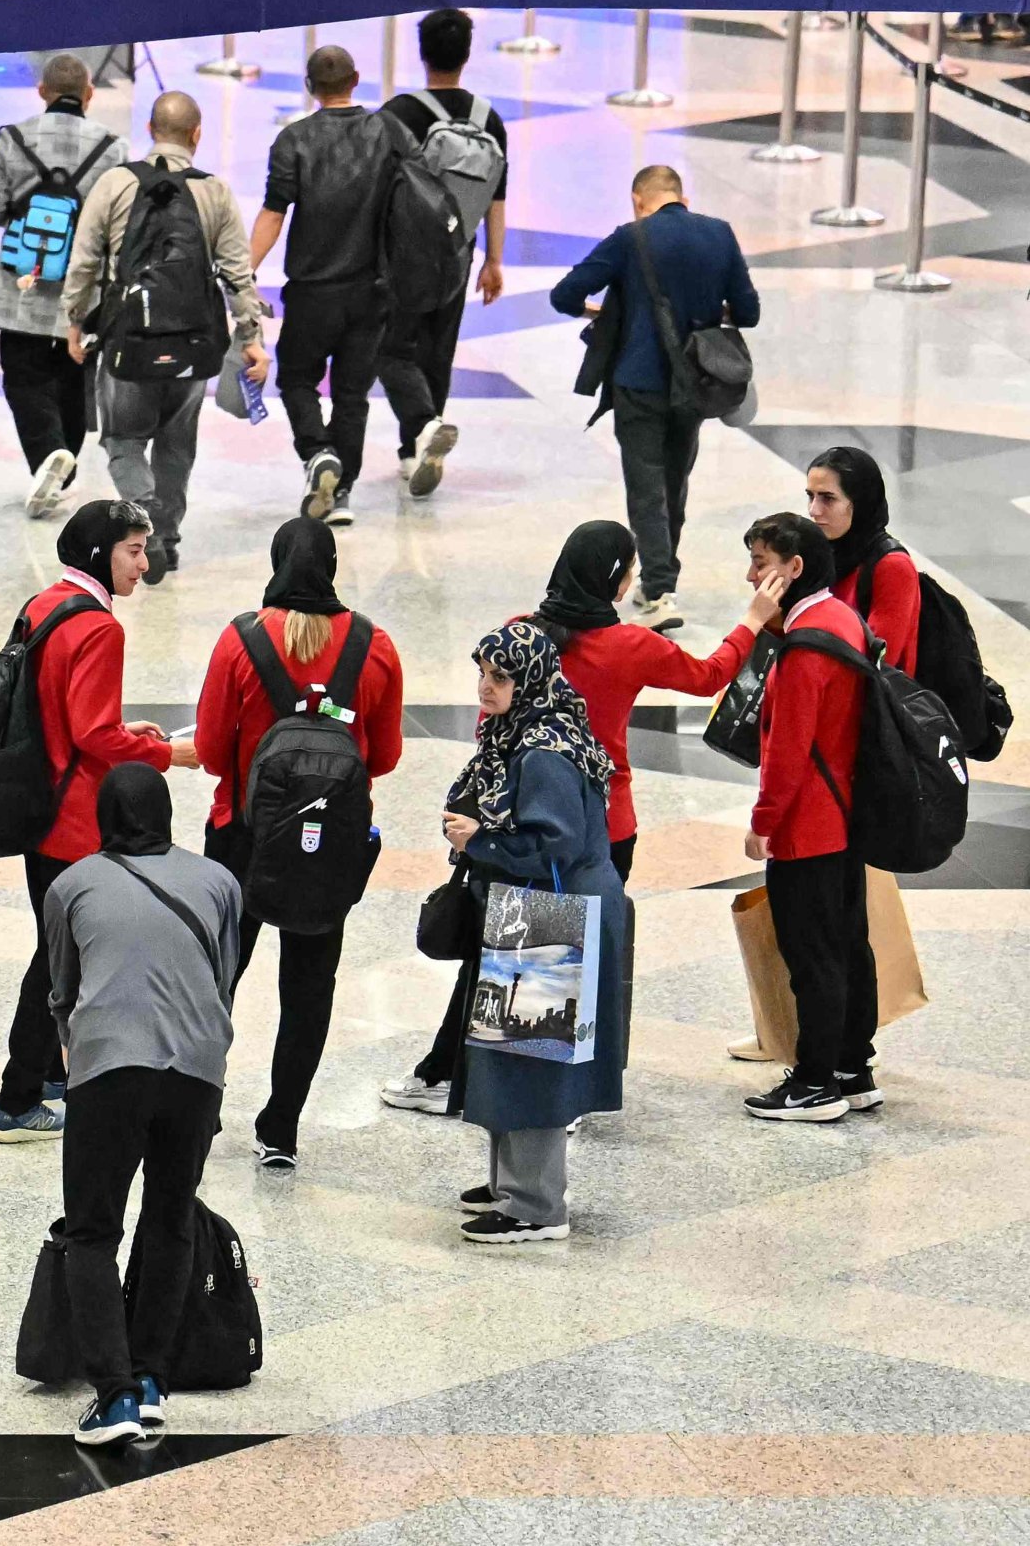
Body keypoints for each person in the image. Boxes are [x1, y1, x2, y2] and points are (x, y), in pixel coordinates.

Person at [386, 524, 763, 1113]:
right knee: (565, 976)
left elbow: (490, 728)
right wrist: (755, 617)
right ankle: (549, 1101)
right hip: (601, 831)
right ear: (615, 579)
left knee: (507, 963)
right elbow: (710, 675)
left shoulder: (522, 636)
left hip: (509, 825)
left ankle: (456, 1079)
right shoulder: (634, 646)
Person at [188, 519, 404, 1170]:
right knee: (309, 987)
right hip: (326, 843)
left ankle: (198, 1109)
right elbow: (386, 757)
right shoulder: (374, 645)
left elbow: (206, 751)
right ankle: (280, 1128)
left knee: (215, 978)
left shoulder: (239, 640)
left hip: (240, 835)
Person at [38, 763, 244, 1445]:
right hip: (195, 1068)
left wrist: (75, 1045)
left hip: (108, 1066)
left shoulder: (71, 885)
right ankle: (152, 1377)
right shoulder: (218, 883)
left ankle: (114, 1396)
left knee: (93, 1231)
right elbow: (222, 979)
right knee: (170, 1219)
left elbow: (61, 986)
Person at [0, 501, 193, 1142]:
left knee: (55, 948)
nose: (144, 562)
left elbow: (63, 712)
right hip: (74, 818)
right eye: (133, 549)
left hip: (33, 803)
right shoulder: (102, 628)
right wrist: (167, 754)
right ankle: (17, 1100)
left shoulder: (46, 603)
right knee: (58, 961)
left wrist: (117, 726)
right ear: (99, 552)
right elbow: (92, 732)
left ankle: (50, 1074)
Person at [442, 623, 636, 1239]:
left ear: (527, 679)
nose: (485, 687)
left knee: (532, 1056)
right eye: (483, 673)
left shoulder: (544, 750)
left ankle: (536, 1206)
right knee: (511, 1049)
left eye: (499, 676)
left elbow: (555, 846)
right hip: (540, 907)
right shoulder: (524, 731)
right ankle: (511, 1184)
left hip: (552, 910)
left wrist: (482, 839)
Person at [56, 88, 268, 581]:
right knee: (177, 443)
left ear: (150, 131)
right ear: (197, 135)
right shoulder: (214, 191)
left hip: (128, 341)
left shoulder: (115, 184)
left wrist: (74, 321)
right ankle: (165, 542)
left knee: (123, 439)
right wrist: (250, 335)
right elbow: (238, 271)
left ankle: (141, 507)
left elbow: (84, 261)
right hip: (194, 344)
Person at [549, 165, 760, 626]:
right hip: (696, 381)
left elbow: (564, 294)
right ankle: (658, 580)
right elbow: (748, 311)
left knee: (646, 487)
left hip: (637, 379)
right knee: (674, 483)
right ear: (683, 197)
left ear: (637, 199)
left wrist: (601, 309)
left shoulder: (630, 238)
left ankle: (661, 590)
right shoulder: (719, 234)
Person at [246, 42, 435, 523]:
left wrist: (243, 269)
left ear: (310, 87)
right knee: (352, 394)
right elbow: (422, 192)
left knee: (296, 378)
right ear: (356, 81)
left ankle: (316, 454)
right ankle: (341, 492)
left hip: (312, 291)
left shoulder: (293, 140)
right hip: (373, 288)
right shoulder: (389, 130)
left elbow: (273, 213)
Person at [742, 512, 883, 1123]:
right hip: (848, 814)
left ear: (794, 568)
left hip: (809, 826)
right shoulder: (842, 618)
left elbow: (788, 749)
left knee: (812, 955)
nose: (751, 576)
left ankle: (815, 1081)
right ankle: (853, 1067)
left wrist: (764, 821)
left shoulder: (803, 647)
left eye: (762, 563)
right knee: (849, 943)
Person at [0, 52, 128, 517]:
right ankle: (66, 464)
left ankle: (49, 459)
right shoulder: (113, 148)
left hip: (21, 288)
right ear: (90, 94)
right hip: (83, 293)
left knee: (24, 380)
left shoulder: (14, 139)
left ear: (42, 92)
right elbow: (119, 222)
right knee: (73, 382)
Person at [377, 5, 511, 494]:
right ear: (467, 54)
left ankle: (418, 432)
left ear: (422, 52)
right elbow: (497, 195)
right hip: (460, 251)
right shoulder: (488, 119)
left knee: (391, 348)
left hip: (405, 256)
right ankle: (418, 445)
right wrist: (494, 261)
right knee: (438, 351)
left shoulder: (399, 114)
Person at [804, 445, 923, 666]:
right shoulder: (820, 553)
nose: (813, 510)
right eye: (810, 496)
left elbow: (877, 663)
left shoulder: (892, 566)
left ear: (859, 503)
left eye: (827, 498)